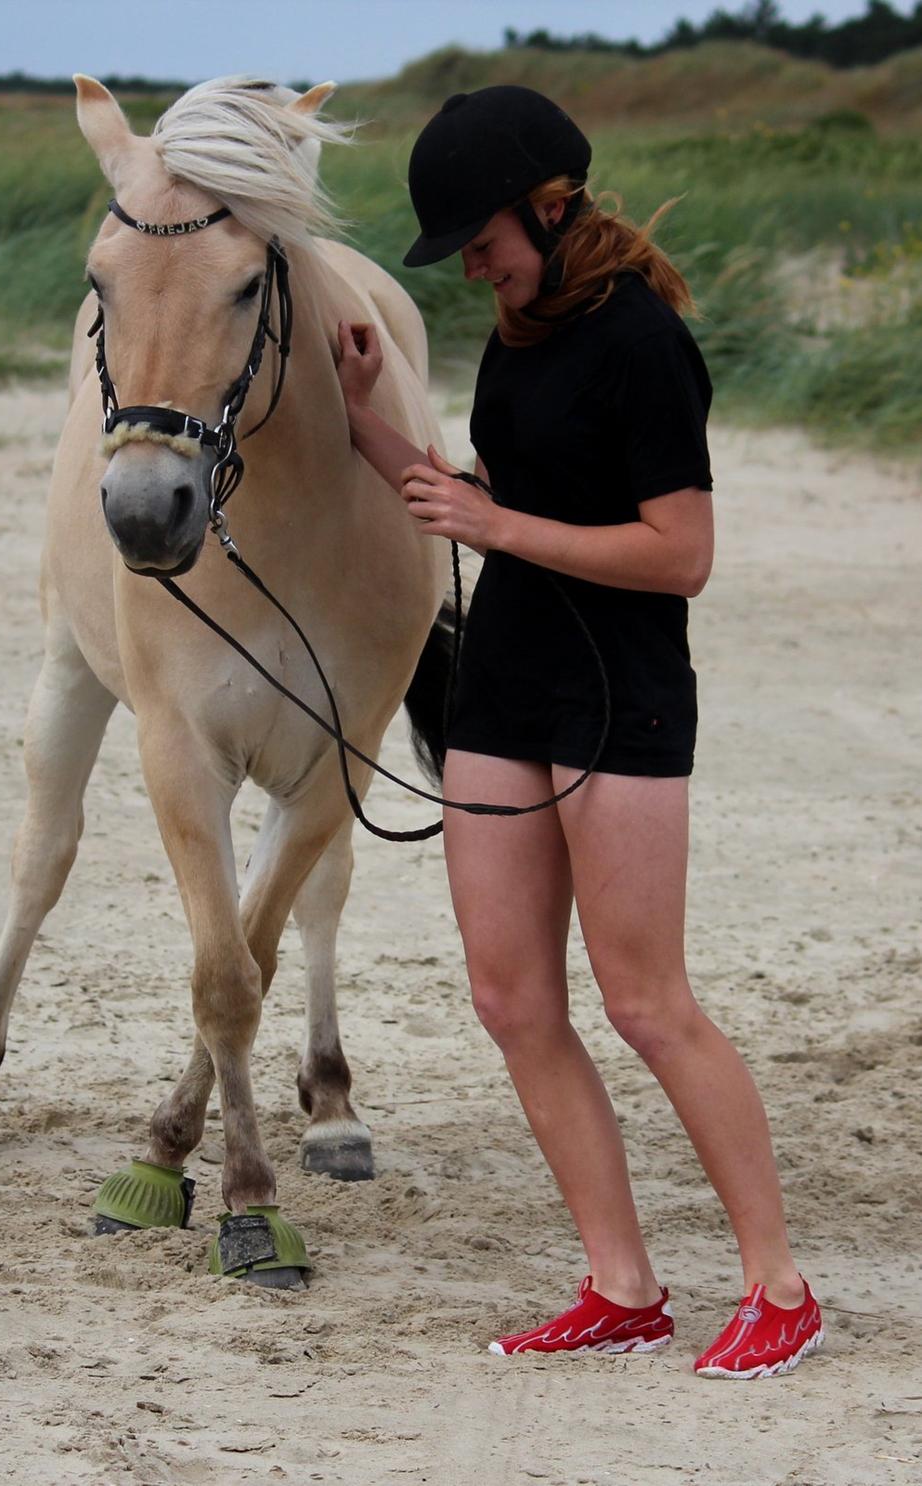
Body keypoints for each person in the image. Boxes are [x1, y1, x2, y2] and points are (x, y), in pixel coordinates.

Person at [335, 85, 823, 1379]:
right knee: (509, 997)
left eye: (479, 236)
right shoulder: (519, 326)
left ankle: (777, 1284)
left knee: (647, 1002)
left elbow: (681, 555)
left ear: (546, 202)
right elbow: (496, 500)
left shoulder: (639, 340)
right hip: (502, 680)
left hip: (623, 685)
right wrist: (360, 421)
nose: (470, 262)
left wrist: (496, 529)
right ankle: (622, 1282)